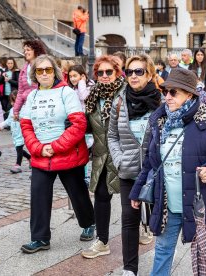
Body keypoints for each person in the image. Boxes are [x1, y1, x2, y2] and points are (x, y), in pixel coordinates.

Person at [129, 67, 206, 276]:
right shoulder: (160, 121)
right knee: (162, 250)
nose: (167, 97)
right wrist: (137, 190)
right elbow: (151, 161)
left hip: (198, 202)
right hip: (167, 201)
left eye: (173, 92)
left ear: (189, 95)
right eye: (165, 91)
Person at [19, 54, 95, 253]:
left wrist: (55, 146)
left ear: (55, 71)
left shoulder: (67, 93)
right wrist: (37, 148)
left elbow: (79, 124)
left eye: (48, 69)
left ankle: (89, 222)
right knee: (39, 194)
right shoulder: (31, 96)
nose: (44, 73)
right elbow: (26, 126)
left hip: (67, 154)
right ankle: (40, 238)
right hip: (41, 156)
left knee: (77, 193)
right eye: (39, 70)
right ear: (34, 74)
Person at [107, 54, 161, 276]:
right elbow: (112, 135)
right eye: (130, 72)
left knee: (161, 219)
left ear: (149, 74)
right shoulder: (119, 102)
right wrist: (119, 160)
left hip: (156, 171)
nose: (134, 76)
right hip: (128, 172)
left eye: (139, 71)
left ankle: (163, 261)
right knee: (129, 221)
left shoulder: (160, 101)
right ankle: (130, 269)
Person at [81, 55, 125, 259]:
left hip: (124, 155)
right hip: (101, 155)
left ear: (117, 72)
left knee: (133, 196)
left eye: (109, 72)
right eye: (100, 72)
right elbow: (91, 126)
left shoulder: (126, 94)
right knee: (101, 196)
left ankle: (144, 226)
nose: (105, 76)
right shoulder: (92, 97)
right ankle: (102, 241)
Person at [0, 91, 31, 173]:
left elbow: (27, 119)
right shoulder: (12, 110)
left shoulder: (25, 109)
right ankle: (30, 158)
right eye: (12, 101)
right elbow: (9, 121)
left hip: (22, 133)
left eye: (15, 101)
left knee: (19, 149)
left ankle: (18, 165)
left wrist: (19, 118)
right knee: (18, 148)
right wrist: (2, 125)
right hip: (15, 133)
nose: (13, 103)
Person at [13, 40, 47, 120]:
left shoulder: (43, 66)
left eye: (28, 50)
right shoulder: (24, 69)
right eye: (24, 50)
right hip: (27, 106)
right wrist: (16, 110)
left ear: (36, 50)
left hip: (41, 105)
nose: (25, 52)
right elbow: (20, 91)